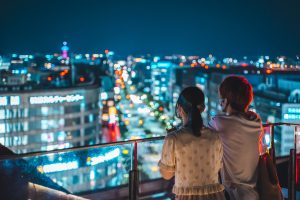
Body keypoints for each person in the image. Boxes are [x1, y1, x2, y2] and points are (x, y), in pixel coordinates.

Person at [158, 86, 226, 200]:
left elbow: (166, 174)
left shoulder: (173, 139)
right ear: (203, 108)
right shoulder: (215, 137)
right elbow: (218, 168)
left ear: (179, 108)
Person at [209, 76, 263, 200]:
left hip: (232, 194)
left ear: (226, 100)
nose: (220, 101)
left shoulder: (219, 123)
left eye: (221, 98)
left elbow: (199, 134)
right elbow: (246, 114)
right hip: (254, 193)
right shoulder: (256, 120)